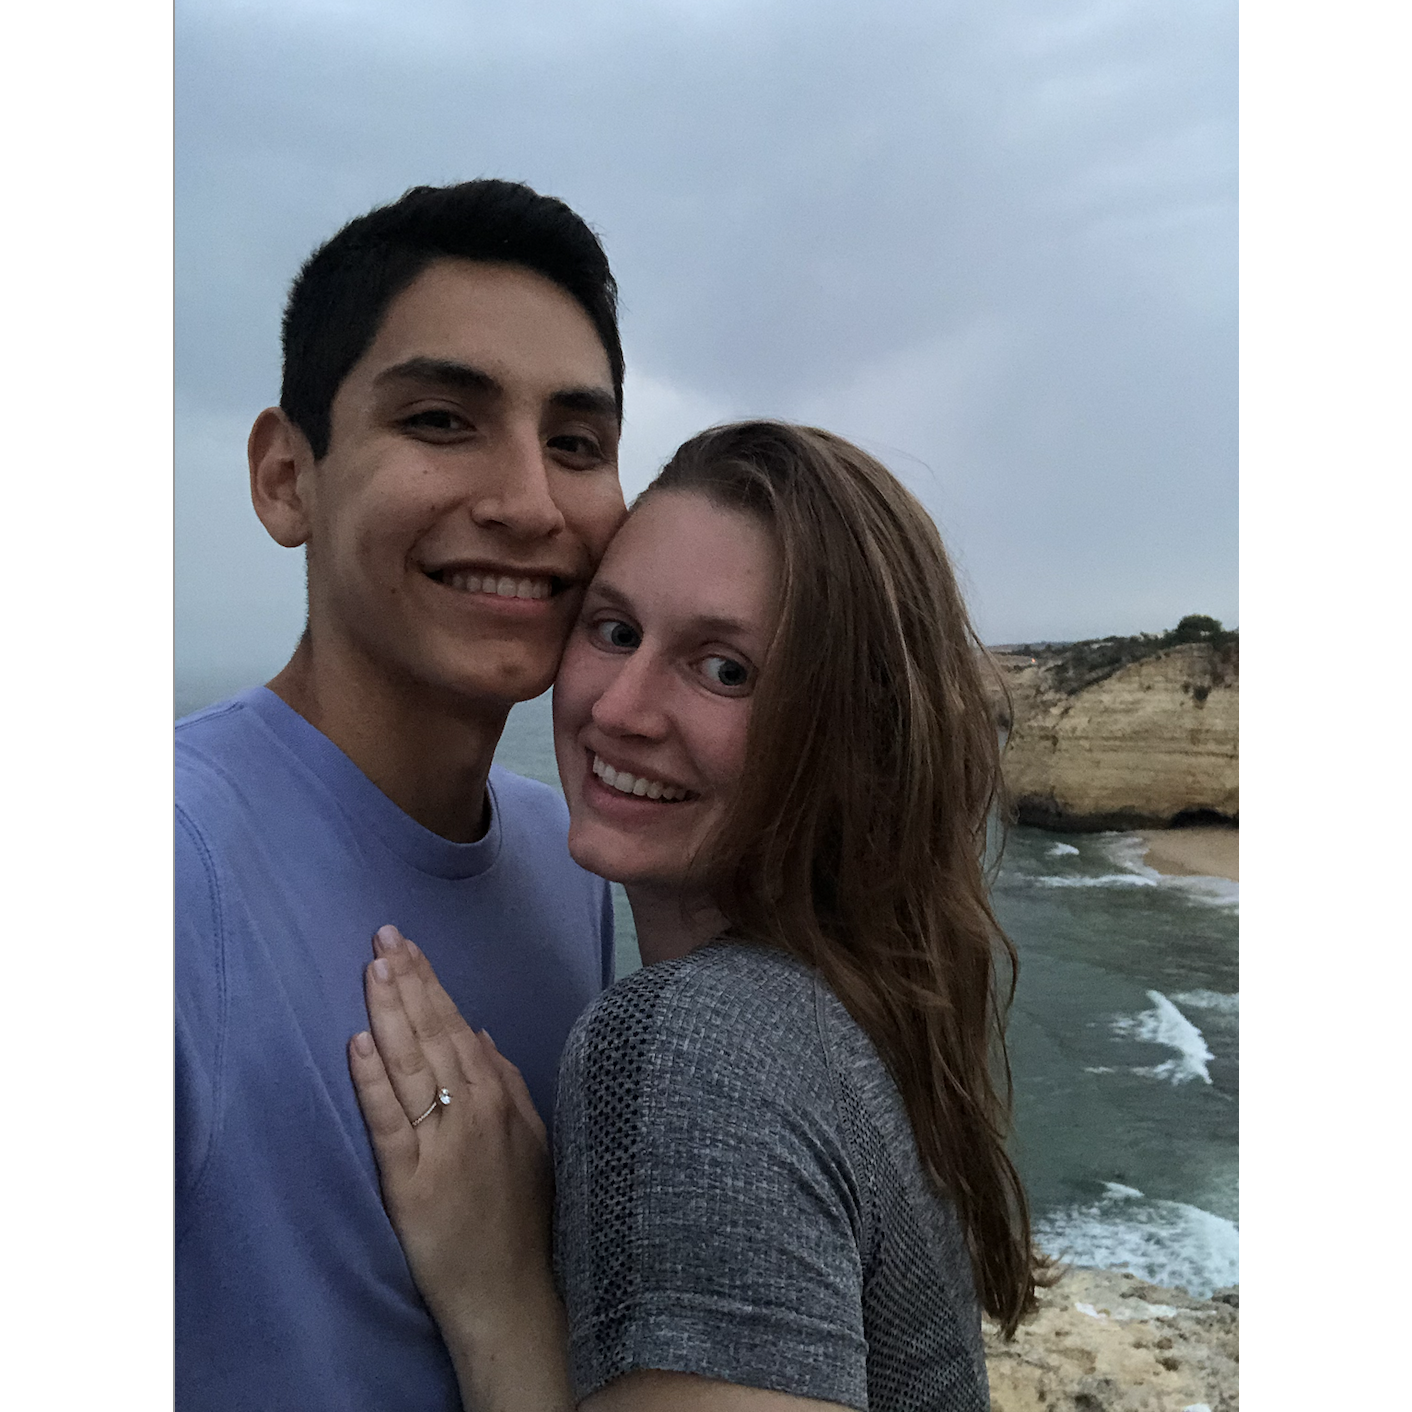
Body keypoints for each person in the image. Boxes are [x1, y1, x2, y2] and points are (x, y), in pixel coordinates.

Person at [350, 422, 1043, 1410]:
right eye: (615, 629)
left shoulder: (691, 1043)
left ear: (847, 734)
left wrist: (498, 1292)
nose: (620, 707)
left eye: (724, 669)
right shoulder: (854, 1007)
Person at [176, 180, 631, 1411]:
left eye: (577, 444)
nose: (530, 501)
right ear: (286, 477)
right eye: (441, 419)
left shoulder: (569, 855)